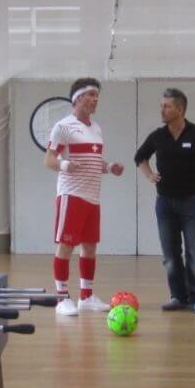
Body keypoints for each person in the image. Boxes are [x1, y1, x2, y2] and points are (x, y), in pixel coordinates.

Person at [44, 77, 124, 317]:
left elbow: (94, 161)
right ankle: (61, 299)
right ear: (77, 98)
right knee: (66, 246)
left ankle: (86, 297)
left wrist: (109, 167)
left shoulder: (96, 128)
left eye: (97, 95)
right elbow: (49, 160)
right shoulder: (63, 127)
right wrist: (65, 165)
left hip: (92, 197)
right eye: (90, 95)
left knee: (89, 247)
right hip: (72, 195)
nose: (95, 99)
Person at [134, 88, 195, 315]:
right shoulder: (158, 136)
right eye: (161, 106)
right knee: (170, 255)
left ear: (180, 109)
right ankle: (178, 296)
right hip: (165, 203)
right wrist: (149, 174)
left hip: (192, 202)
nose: (162, 110)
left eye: (167, 106)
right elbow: (139, 157)